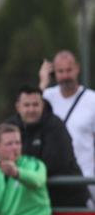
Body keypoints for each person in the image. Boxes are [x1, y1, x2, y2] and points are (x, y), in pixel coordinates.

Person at [6, 85, 89, 208]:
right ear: (18, 107)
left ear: (42, 105)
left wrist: (20, 172)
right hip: (27, 201)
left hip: (66, 200)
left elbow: (54, 164)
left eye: (35, 105)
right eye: (27, 105)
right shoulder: (9, 127)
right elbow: (1, 156)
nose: (31, 110)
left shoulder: (56, 126)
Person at [39, 51, 95, 204]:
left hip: (85, 178)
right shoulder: (46, 97)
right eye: (60, 71)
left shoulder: (92, 100)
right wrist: (42, 84)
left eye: (69, 70)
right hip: (52, 179)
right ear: (54, 73)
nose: (65, 76)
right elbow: (27, 114)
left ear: (77, 69)